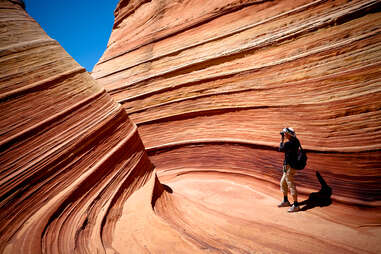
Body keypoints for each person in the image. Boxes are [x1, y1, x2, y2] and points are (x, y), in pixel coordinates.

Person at [278, 127, 300, 212]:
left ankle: (296, 205)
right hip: (290, 166)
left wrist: (282, 139)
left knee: (290, 184)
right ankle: (286, 201)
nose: (284, 135)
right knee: (283, 182)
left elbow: (280, 148)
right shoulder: (296, 141)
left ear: (288, 134)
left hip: (289, 167)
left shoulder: (289, 144)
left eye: (285, 134)